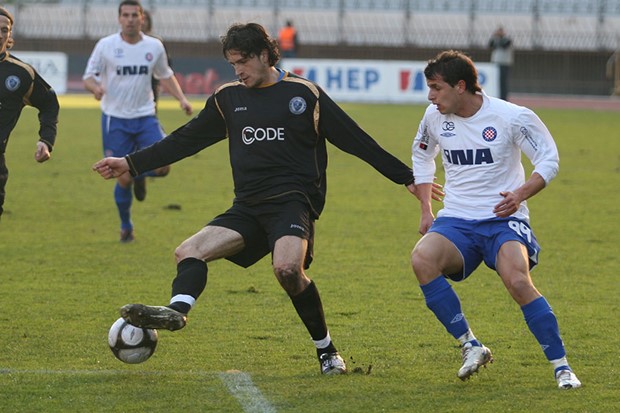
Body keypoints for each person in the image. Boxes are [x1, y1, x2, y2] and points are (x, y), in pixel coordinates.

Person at [93, 22, 441, 375]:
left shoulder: (304, 95)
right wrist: (130, 163)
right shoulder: (228, 98)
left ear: (264, 55)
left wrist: (408, 178)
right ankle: (177, 312)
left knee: (288, 269)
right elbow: (184, 140)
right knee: (188, 251)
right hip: (247, 206)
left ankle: (327, 352)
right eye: (232, 65)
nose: (237, 71)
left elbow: (356, 139)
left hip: (293, 202)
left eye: (242, 62)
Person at [410, 50, 581, 389]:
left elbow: (548, 158)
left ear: (461, 86)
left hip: (503, 220)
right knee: (421, 259)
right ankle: (471, 346)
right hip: (457, 218)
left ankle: (562, 367)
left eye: (436, 87)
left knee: (517, 281)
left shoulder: (512, 117)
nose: (430, 96)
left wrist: (520, 194)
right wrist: (427, 209)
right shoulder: (433, 117)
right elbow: (422, 153)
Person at [83, 0, 193, 242]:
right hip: (116, 120)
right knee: (122, 176)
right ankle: (126, 227)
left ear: (142, 18)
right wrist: (96, 88)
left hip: (145, 117)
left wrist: (182, 100)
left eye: (135, 15)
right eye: (126, 15)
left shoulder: (154, 46)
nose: (130, 19)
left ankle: (139, 174)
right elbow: (88, 77)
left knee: (164, 165)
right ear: (119, 18)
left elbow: (165, 75)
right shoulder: (106, 46)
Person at [0, 6, 59, 220]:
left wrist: (46, 139)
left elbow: (49, 103)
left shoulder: (21, 74)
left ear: (9, 35)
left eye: (4, 30)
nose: (0, 34)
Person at [488, 26, 513, 101]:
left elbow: (503, 45)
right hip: (495, 64)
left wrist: (499, 37)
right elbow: (490, 44)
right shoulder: (496, 39)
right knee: (495, 82)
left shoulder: (507, 40)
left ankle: (503, 98)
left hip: (504, 63)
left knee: (503, 82)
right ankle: (496, 96)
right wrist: (494, 36)